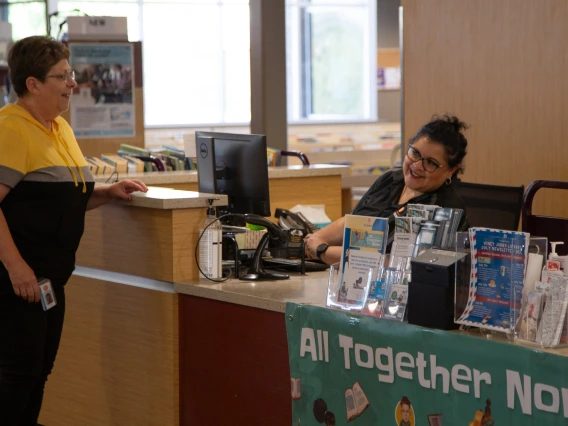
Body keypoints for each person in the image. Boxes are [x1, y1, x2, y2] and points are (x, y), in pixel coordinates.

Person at [0, 36, 148, 425]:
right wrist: (17, 269)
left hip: (51, 278)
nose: (73, 83)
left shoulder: (60, 127)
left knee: (38, 374)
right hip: (16, 282)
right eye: (62, 76)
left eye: (71, 73)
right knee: (16, 378)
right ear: (33, 84)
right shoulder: (11, 129)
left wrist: (107, 193)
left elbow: (62, 198)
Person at [305, 115, 470, 264]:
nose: (417, 165)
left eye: (431, 163)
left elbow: (391, 262)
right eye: (415, 153)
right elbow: (355, 221)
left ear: (451, 170)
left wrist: (324, 252)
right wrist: (317, 238)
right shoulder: (392, 179)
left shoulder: (444, 209)